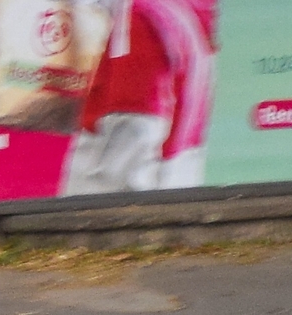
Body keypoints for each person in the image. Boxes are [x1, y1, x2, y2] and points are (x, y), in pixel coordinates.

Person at [63, 0, 216, 194]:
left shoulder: (141, 16)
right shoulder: (186, 14)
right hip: (176, 147)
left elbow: (133, 117)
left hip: (138, 134)